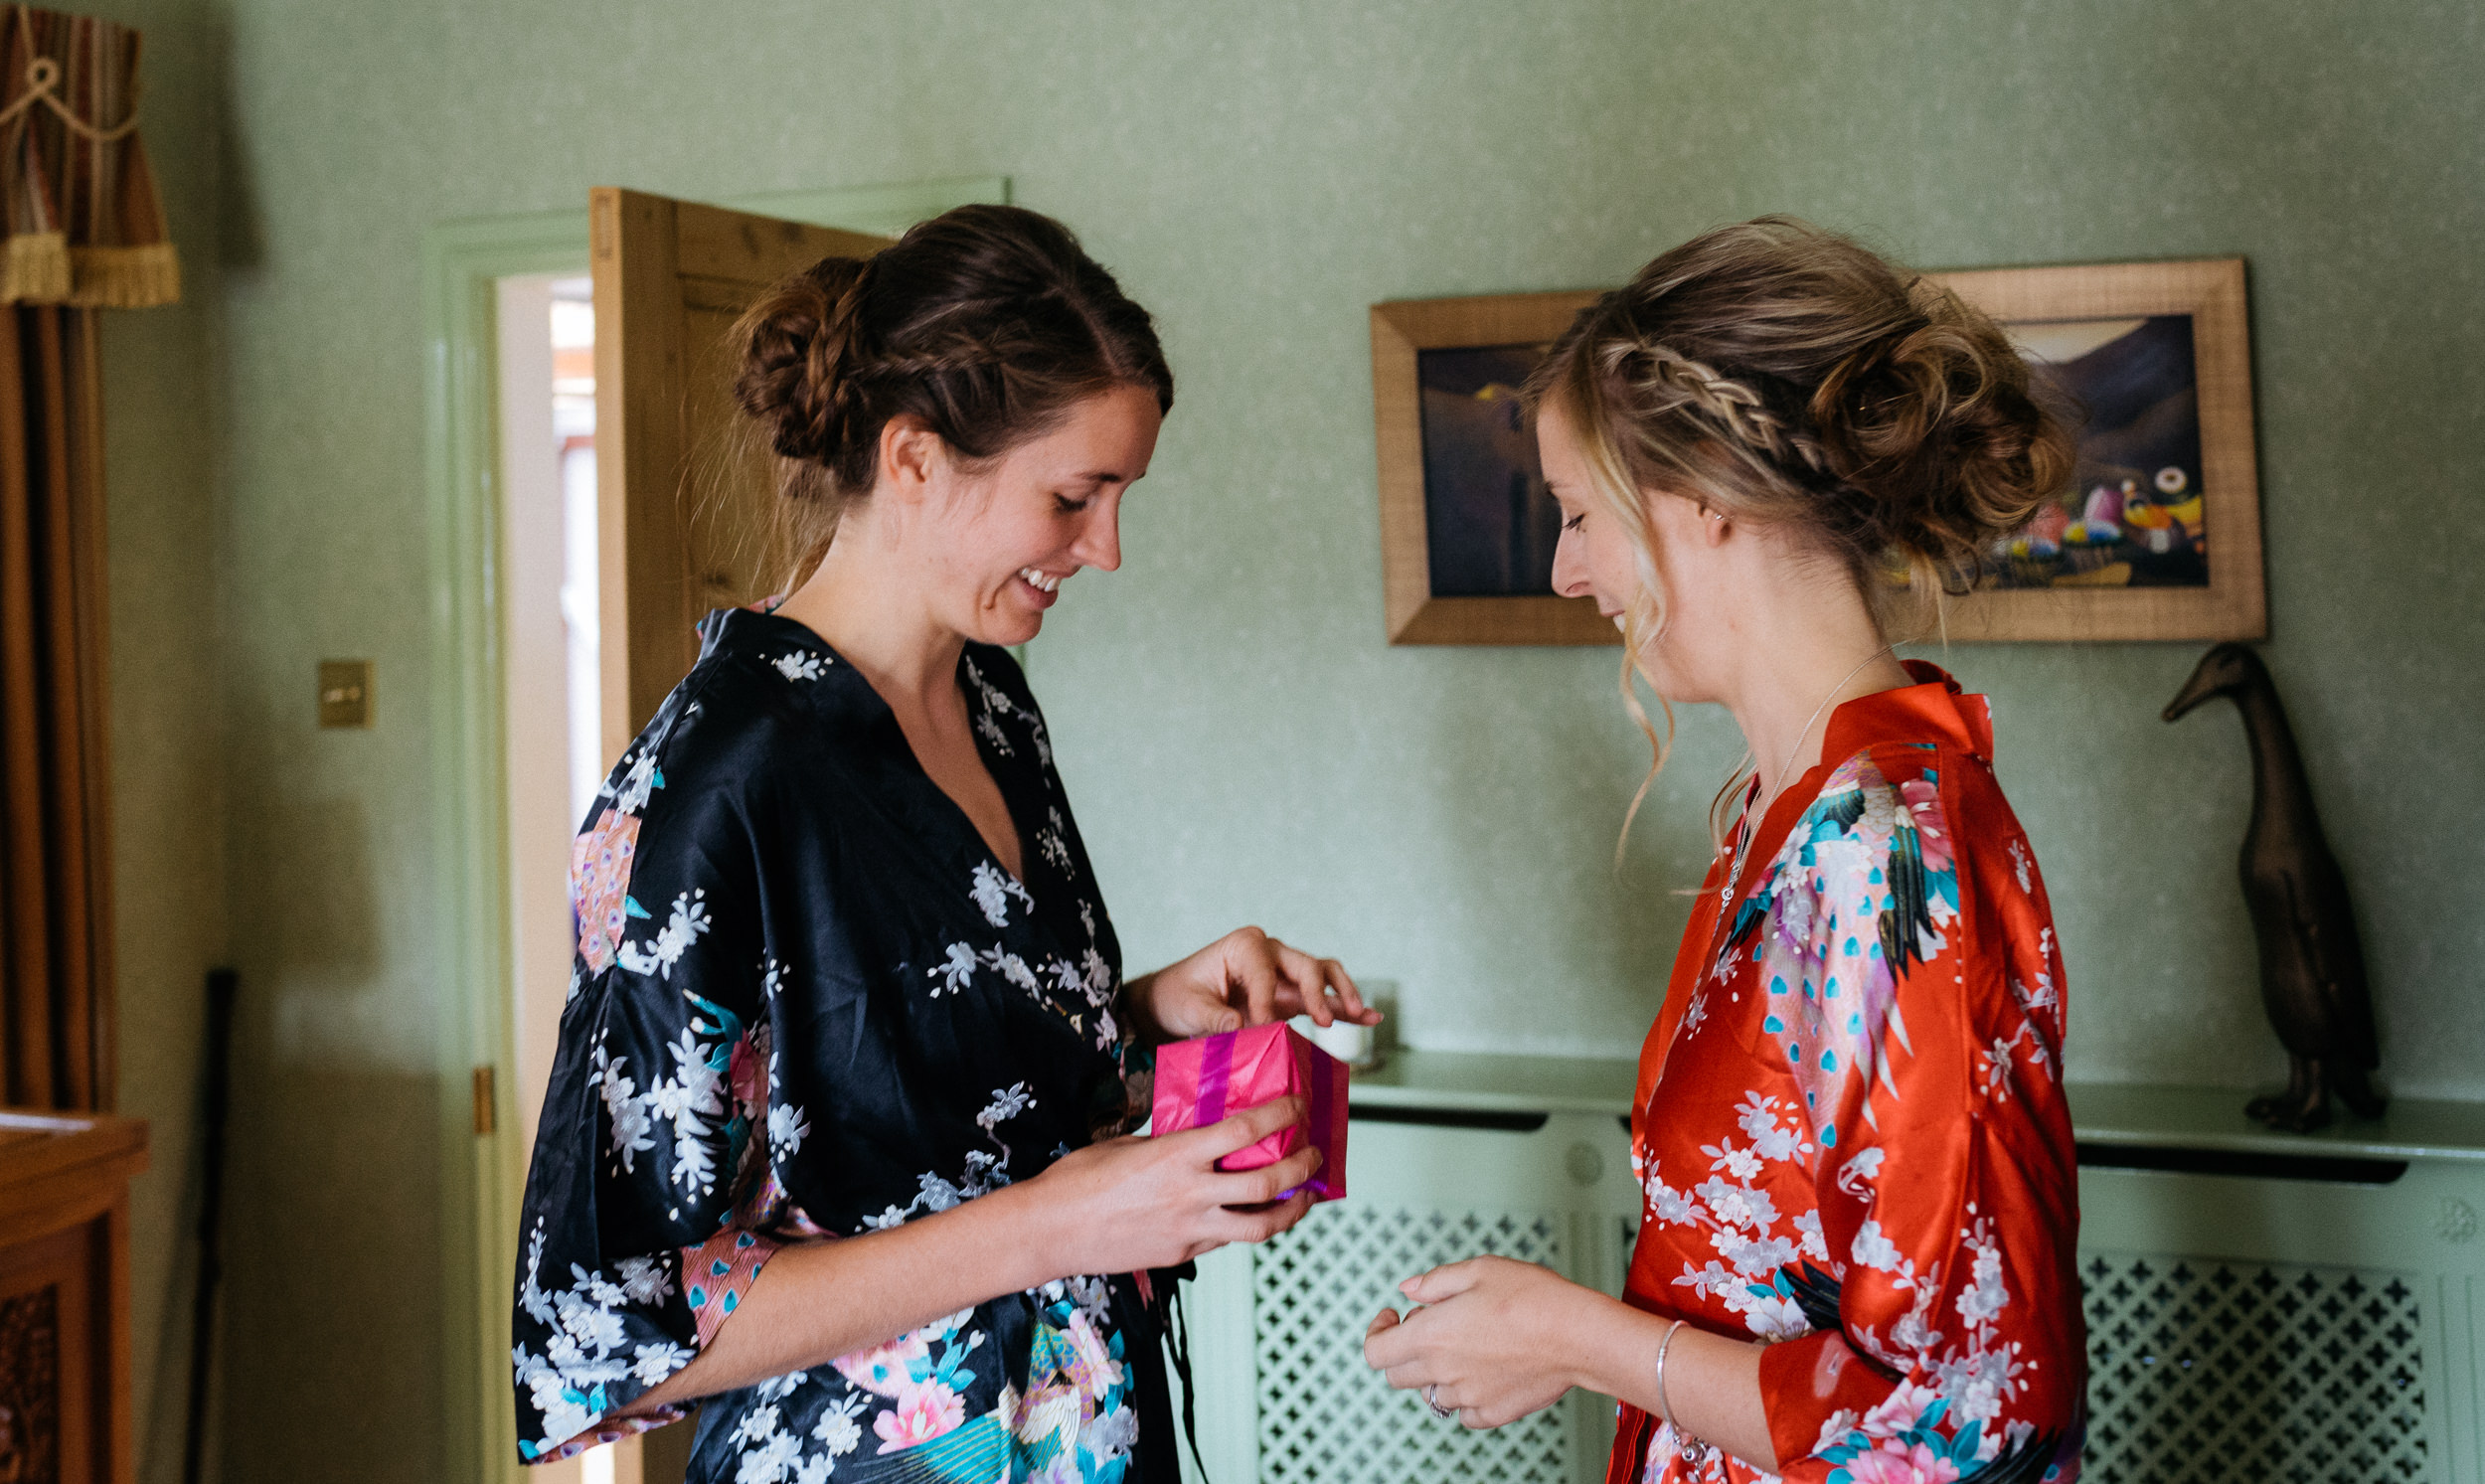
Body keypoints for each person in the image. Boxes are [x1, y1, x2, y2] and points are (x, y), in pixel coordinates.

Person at [511, 205, 1379, 1484]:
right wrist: (1058, 1224)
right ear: (914, 458)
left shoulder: (986, 700)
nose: (1108, 549)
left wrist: (1140, 1023)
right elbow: (609, 1323)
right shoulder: (718, 788)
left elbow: (913, 1108)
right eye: (1073, 497)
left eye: (1120, 497)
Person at [1363, 218, 2086, 1483]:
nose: (1566, 567)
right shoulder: (1782, 813)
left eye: (1583, 513)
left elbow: (1970, 1418)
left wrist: (1581, 1337)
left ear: (1699, 504)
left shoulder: (1879, 853)